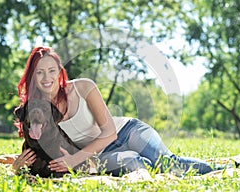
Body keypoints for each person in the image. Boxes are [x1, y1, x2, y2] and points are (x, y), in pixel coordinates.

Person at [12, 46, 221, 177]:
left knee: (168, 164)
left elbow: (110, 133)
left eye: (51, 71)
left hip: (129, 132)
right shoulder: (36, 110)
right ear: (32, 76)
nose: (46, 77)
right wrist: (17, 166)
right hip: (102, 154)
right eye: (39, 72)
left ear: (59, 72)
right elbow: (36, 147)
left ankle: (228, 168)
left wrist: (75, 160)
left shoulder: (83, 87)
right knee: (136, 165)